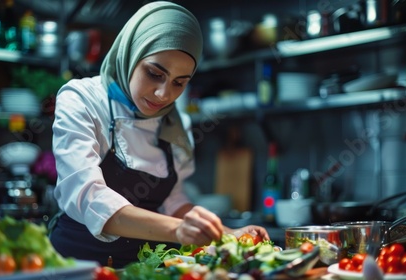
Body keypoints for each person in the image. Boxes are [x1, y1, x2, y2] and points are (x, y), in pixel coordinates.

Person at [48, 1, 270, 268]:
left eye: (179, 83)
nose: (164, 94)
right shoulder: (82, 99)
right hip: (76, 266)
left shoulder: (176, 124)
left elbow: (173, 201)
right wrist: (177, 230)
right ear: (132, 52)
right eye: (154, 73)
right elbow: (88, 197)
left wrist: (226, 234)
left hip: (146, 270)